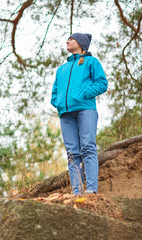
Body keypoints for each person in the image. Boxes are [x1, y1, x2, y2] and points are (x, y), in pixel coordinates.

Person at [51, 33, 108, 195]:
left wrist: (83, 94)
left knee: (88, 147)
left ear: (81, 43)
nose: (67, 41)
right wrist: (59, 103)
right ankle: (77, 191)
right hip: (66, 114)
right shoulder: (61, 69)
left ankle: (91, 189)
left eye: (71, 39)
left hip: (86, 110)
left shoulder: (91, 62)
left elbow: (102, 83)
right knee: (71, 153)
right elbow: (54, 94)